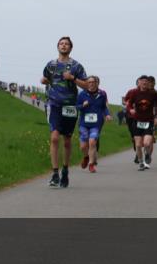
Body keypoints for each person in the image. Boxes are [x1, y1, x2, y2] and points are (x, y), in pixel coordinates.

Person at [40, 36, 90, 188]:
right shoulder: (51, 64)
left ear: (70, 48)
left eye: (66, 44)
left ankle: (65, 171)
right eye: (61, 44)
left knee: (67, 140)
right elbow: (45, 78)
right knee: (54, 138)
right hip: (54, 104)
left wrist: (73, 78)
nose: (63, 46)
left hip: (70, 106)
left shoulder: (76, 66)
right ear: (57, 47)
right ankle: (55, 173)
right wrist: (44, 81)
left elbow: (87, 85)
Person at [126, 75, 157, 170]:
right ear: (139, 82)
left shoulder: (153, 93)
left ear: (148, 83)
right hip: (137, 121)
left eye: (146, 82)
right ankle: (141, 162)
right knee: (138, 145)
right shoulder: (134, 93)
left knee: (147, 143)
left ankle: (147, 154)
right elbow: (129, 104)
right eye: (142, 81)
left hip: (149, 121)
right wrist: (130, 110)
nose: (144, 83)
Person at [78, 76, 112, 173]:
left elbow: (104, 107)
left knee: (92, 142)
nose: (91, 84)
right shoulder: (82, 94)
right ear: (86, 83)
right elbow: (77, 107)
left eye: (93, 82)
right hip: (84, 123)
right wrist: (82, 105)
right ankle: (86, 157)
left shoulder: (102, 94)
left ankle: (91, 164)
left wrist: (108, 115)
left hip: (96, 124)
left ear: (97, 83)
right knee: (83, 146)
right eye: (89, 82)